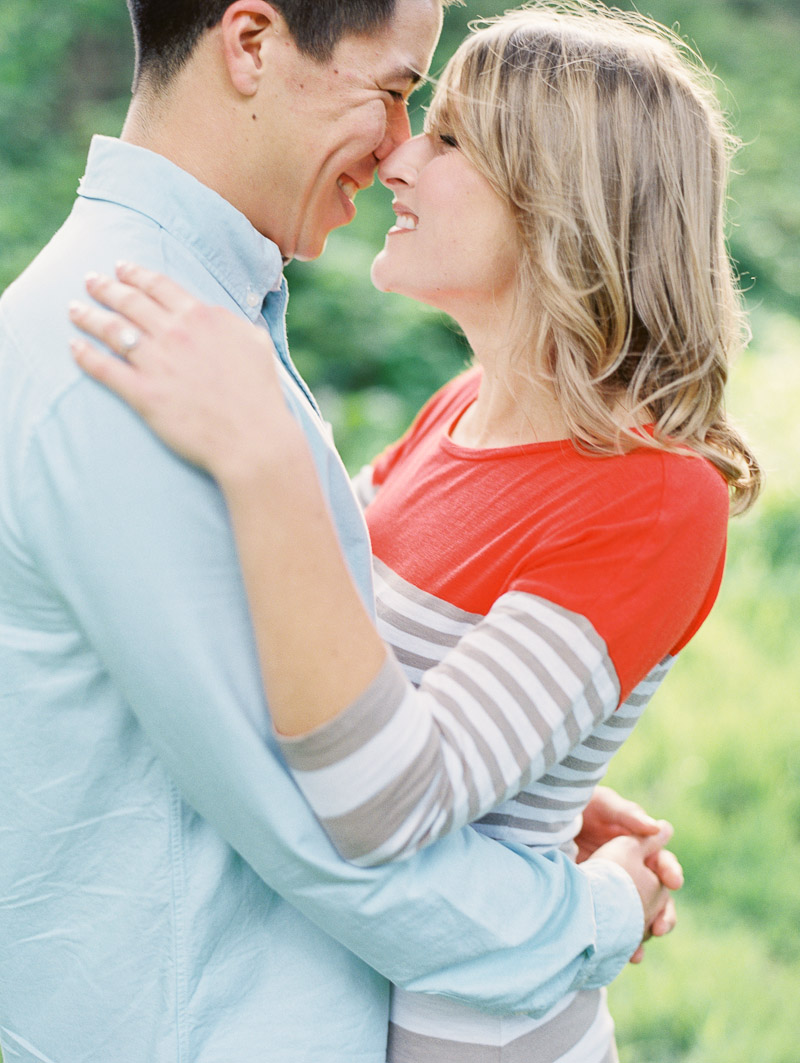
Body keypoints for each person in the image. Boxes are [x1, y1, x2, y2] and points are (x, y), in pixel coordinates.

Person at [68, 3, 762, 1061]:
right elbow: (318, 650)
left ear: (560, 201)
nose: (397, 157)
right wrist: (535, 794)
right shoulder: (458, 410)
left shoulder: (654, 498)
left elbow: (386, 803)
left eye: (446, 139)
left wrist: (261, 461)